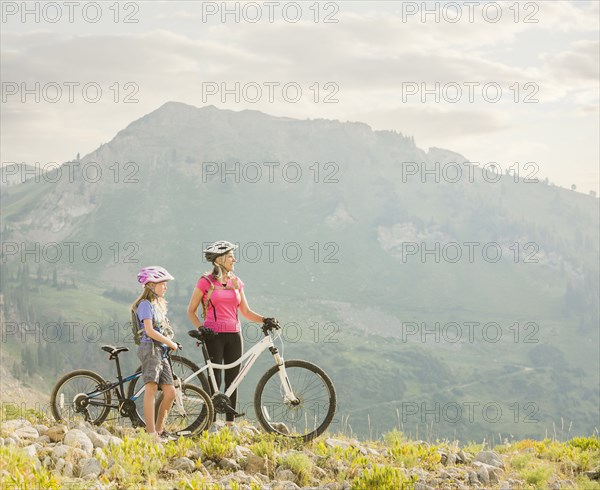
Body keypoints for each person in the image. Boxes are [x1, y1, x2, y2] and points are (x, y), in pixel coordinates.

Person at [187, 240, 273, 425]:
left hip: (235, 335)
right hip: (213, 335)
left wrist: (265, 319)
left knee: (233, 379)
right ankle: (210, 423)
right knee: (215, 380)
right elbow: (191, 311)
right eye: (231, 256)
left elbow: (246, 312)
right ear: (220, 259)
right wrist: (201, 328)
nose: (234, 259)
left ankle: (230, 423)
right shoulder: (205, 282)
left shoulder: (236, 282)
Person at [132, 266, 178, 441]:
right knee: (151, 389)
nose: (165, 287)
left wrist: (168, 342)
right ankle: (151, 434)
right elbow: (149, 331)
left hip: (161, 350)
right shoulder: (145, 305)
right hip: (150, 349)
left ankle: (159, 430)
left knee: (170, 392)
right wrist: (170, 343)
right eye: (162, 284)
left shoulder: (157, 305)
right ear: (151, 285)